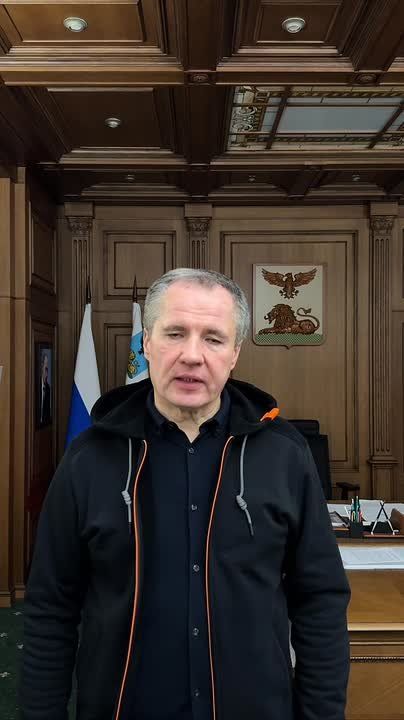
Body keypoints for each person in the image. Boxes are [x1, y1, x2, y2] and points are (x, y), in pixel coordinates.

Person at [21, 268, 350, 720]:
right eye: (175, 333)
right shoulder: (89, 458)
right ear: (147, 344)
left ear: (235, 353)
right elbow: (50, 608)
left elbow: (320, 600)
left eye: (213, 339)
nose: (192, 356)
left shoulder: (286, 455)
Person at [40, 352, 51, 426]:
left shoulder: (47, 388)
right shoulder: (34, 386)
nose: (47, 373)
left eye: (47, 370)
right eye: (45, 369)